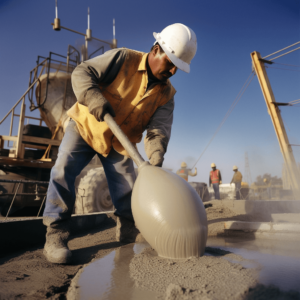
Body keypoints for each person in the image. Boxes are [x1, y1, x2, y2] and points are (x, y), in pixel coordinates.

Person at [42, 23, 197, 264]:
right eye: (171, 63)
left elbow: (158, 130)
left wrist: (155, 156)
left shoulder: (167, 96)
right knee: (62, 170)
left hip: (121, 141)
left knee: (126, 189)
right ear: (156, 50)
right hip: (86, 126)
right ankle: (55, 235)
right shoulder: (124, 58)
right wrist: (94, 97)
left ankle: (127, 232)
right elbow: (82, 72)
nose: (173, 72)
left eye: (178, 68)